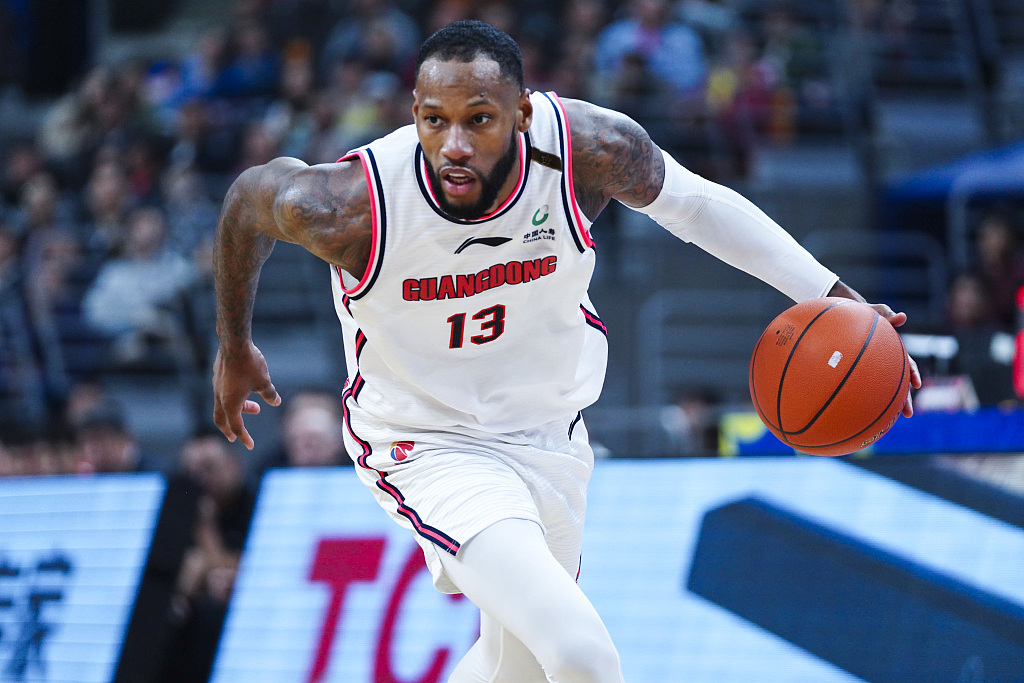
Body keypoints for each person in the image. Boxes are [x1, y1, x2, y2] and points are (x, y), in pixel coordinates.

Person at [211, 20, 920, 682]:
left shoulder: (586, 150)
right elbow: (246, 203)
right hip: (427, 440)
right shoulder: (348, 205)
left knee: (515, 668)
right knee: (580, 651)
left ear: (521, 114)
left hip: (551, 431)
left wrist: (838, 297)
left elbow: (697, 205)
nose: (453, 143)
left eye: (478, 119)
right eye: (434, 120)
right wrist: (234, 344)